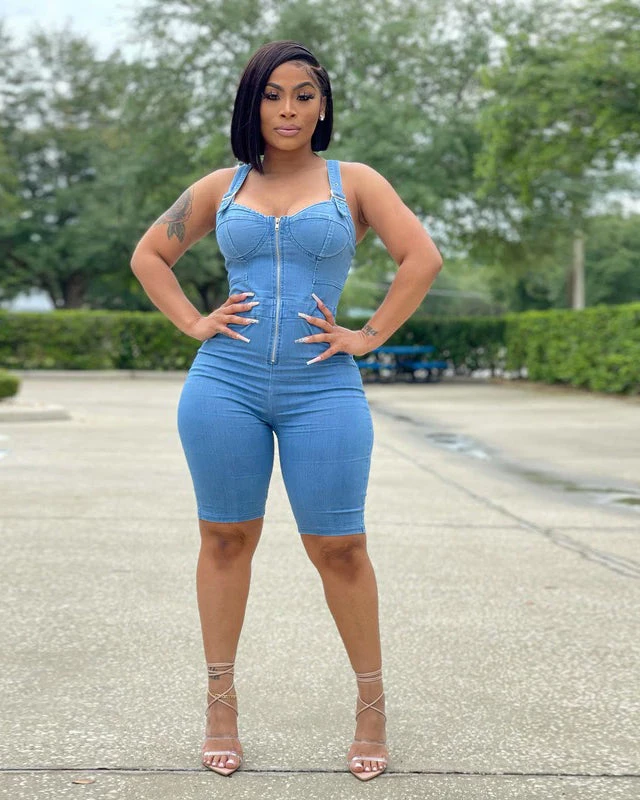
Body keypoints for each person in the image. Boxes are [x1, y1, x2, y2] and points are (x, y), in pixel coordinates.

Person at [130, 39, 443, 781]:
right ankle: (220, 703)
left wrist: (367, 336)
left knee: (341, 549)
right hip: (225, 384)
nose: (289, 109)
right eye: (273, 95)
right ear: (253, 104)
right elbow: (149, 256)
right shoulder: (221, 186)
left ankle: (371, 706)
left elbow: (422, 257)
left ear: (322, 104)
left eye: (304, 94)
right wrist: (194, 322)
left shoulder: (353, 182)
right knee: (224, 539)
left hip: (322, 387)